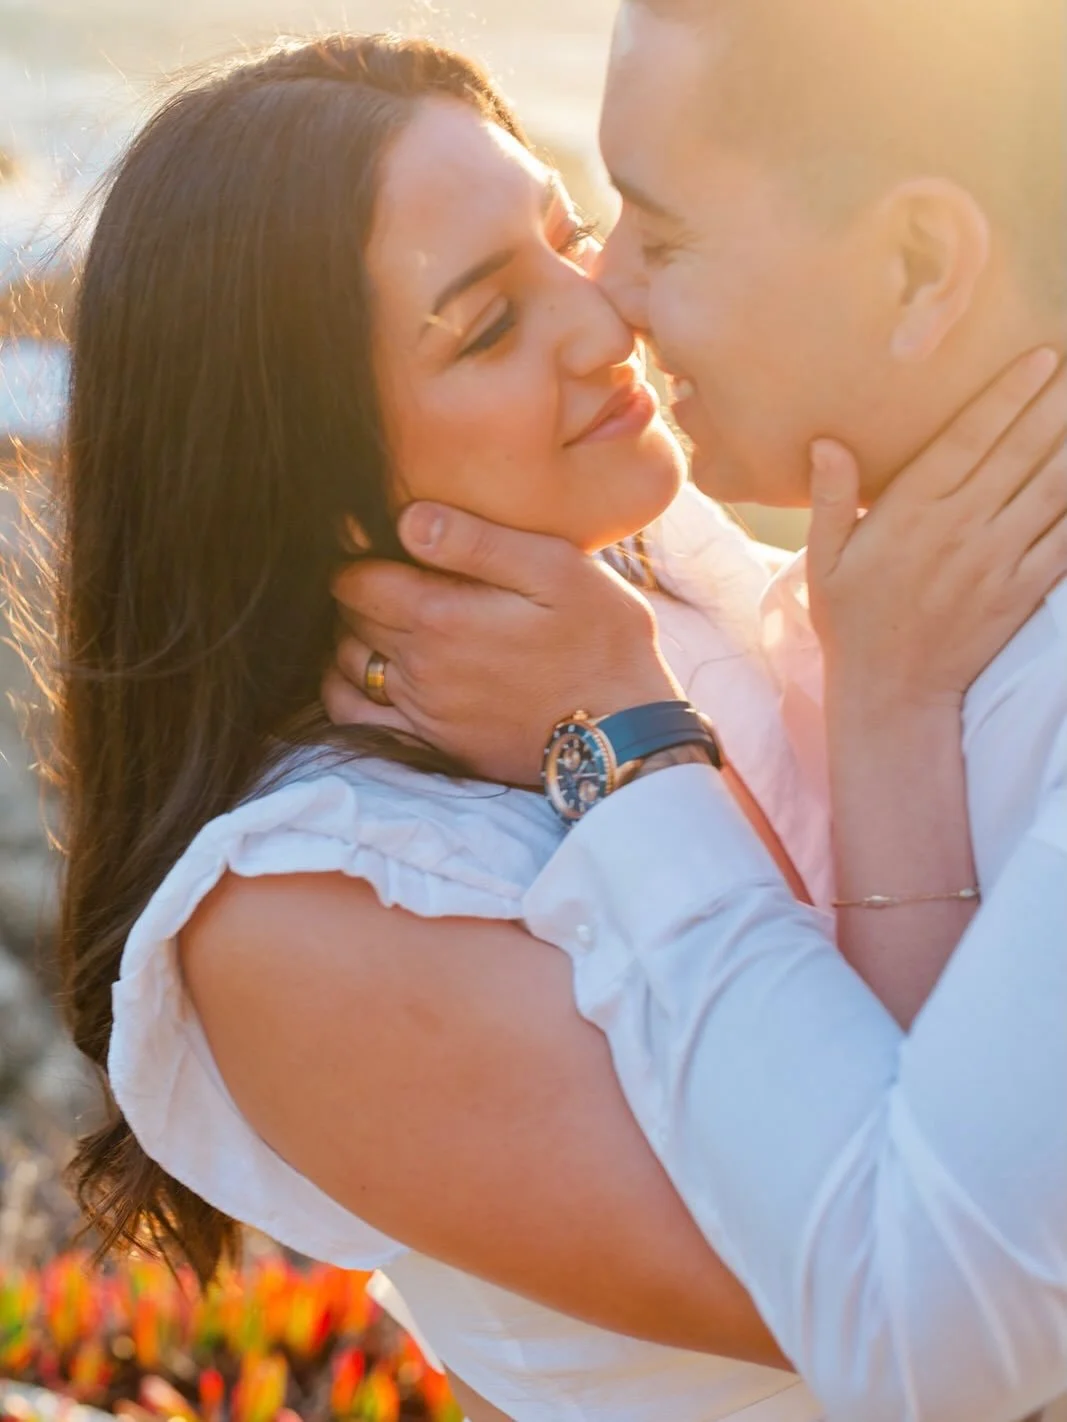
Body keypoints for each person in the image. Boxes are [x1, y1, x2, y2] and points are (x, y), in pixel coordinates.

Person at [39, 26, 1062, 1422]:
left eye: (569, 238)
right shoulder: (302, 916)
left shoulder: (697, 593)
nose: (603, 320)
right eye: (488, 324)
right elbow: (895, 1289)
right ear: (302, 474)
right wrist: (722, 721)